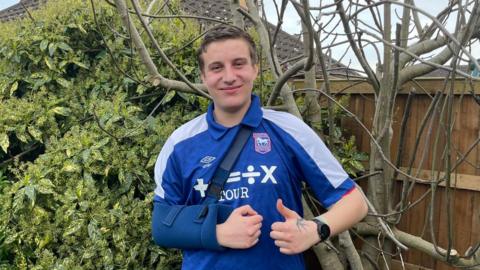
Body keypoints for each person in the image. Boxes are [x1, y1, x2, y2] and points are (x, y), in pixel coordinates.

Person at [152, 25, 368, 270]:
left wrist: (315, 229)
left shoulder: (290, 130)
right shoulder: (180, 143)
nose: (229, 76)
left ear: (255, 69)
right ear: (203, 76)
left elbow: (355, 202)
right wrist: (219, 233)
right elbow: (162, 227)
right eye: (216, 67)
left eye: (239, 63)